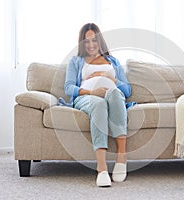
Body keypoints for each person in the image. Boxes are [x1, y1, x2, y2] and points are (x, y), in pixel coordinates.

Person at [64, 23, 131, 187]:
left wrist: (110, 78)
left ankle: (121, 157)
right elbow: (68, 87)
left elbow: (127, 90)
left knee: (115, 93)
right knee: (98, 103)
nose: (91, 45)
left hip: (113, 95)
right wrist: (91, 92)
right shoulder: (76, 61)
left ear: (100, 41)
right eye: (86, 42)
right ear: (82, 43)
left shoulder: (113, 61)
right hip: (87, 98)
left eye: (94, 40)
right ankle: (101, 168)